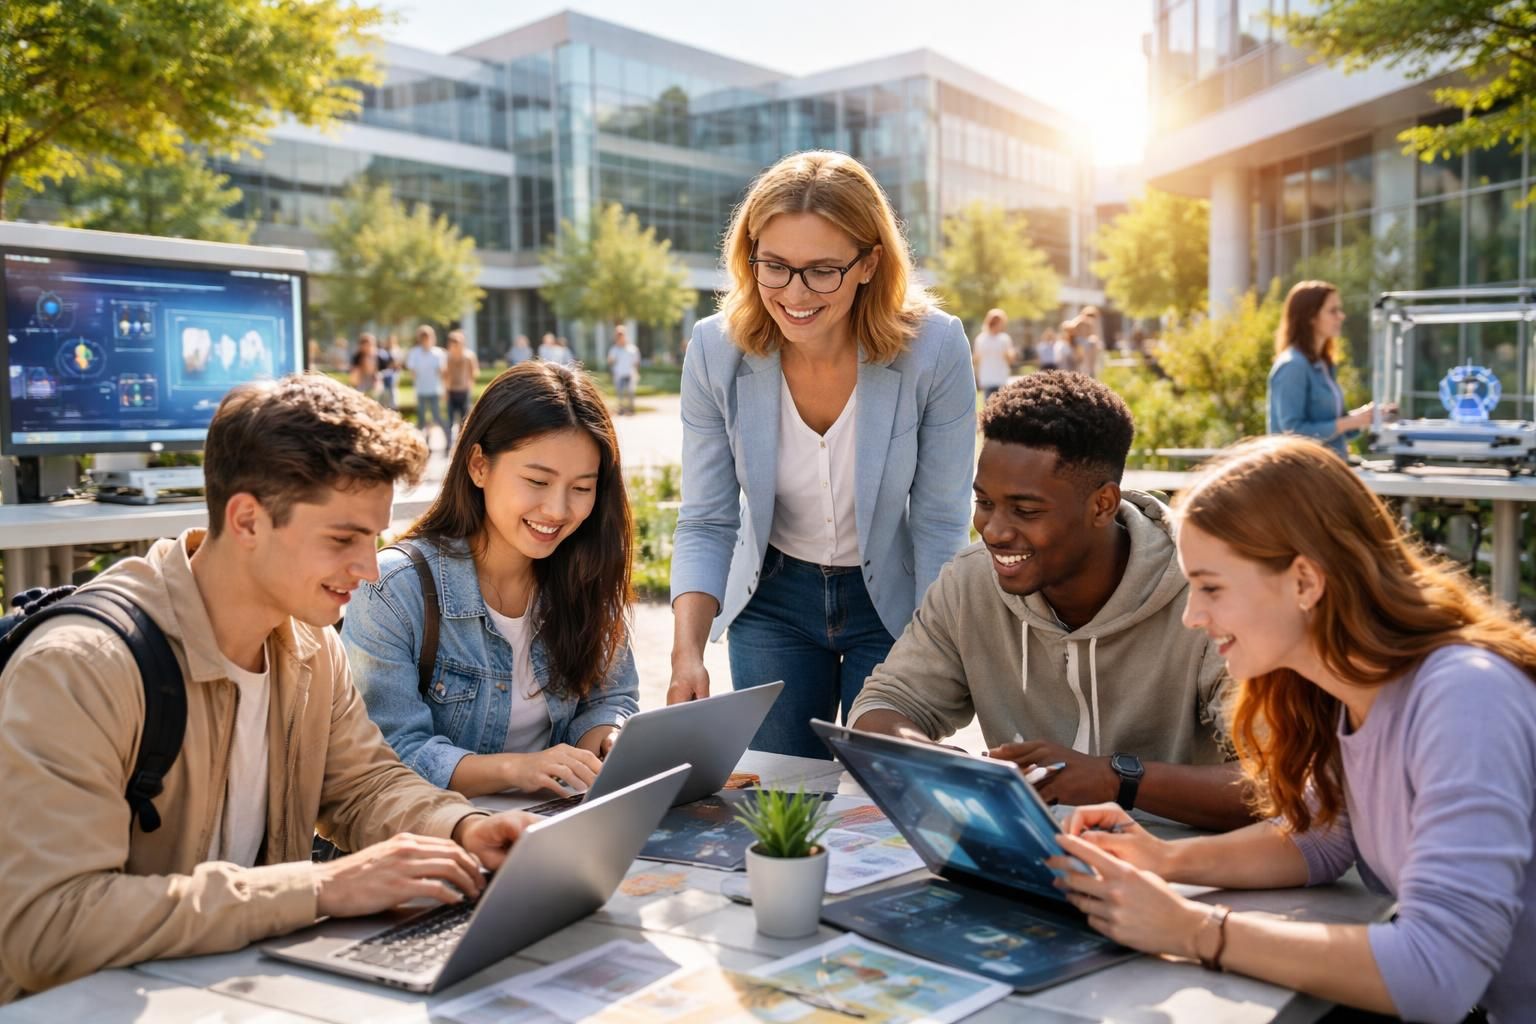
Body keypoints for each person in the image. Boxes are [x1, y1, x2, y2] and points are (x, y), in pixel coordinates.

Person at [0, 374, 539, 1004]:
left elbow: (365, 785)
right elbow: (45, 925)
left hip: (230, 992)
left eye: (374, 538)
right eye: (343, 539)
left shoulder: (310, 646)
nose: (368, 571)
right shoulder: (79, 669)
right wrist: (318, 889)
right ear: (248, 519)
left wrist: (462, 827)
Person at [1049, 435, 1536, 1022]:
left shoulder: (1464, 696)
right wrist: (1162, 861)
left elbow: (1438, 973)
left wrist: (1195, 930)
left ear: (1304, 582)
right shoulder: (1342, 692)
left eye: (1211, 587)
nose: (1192, 616)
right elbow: (1322, 836)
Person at [667, 150, 978, 759]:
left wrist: (936, 648)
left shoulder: (935, 349)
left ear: (868, 264)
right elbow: (707, 518)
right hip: (773, 600)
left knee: (882, 796)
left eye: (822, 271)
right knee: (782, 801)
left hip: (891, 602)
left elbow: (942, 521)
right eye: (775, 266)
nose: (794, 293)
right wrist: (686, 654)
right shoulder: (714, 351)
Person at [849, 372, 1247, 831]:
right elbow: (882, 706)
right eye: (984, 502)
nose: (994, 530)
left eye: (1026, 511)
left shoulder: (1204, 595)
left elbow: (1274, 784)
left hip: (1181, 871)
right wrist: (943, 764)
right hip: (1026, 863)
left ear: (1102, 505)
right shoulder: (970, 582)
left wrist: (1115, 780)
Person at [344, 362, 639, 798]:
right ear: (479, 466)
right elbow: (390, 754)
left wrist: (609, 739)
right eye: (537, 481)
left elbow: (610, 700)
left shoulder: (586, 572)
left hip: (554, 824)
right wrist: (518, 770)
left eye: (581, 488)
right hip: (438, 840)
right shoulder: (394, 589)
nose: (557, 511)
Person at [1268, 280, 1380, 459]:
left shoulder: (1324, 365)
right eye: (1332, 311)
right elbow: (1292, 434)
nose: (1341, 316)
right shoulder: (1292, 366)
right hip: (1303, 476)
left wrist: (1365, 417)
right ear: (1311, 317)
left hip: (1327, 473)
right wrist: (1347, 423)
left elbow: (1335, 426)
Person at [405, 324, 449, 451]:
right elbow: (412, 372)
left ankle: (448, 441)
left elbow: (443, 373)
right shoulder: (415, 353)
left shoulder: (438, 353)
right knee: (422, 420)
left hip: (435, 390)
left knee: (437, 417)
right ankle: (422, 444)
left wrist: (444, 389)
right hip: (421, 391)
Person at [444, 329, 479, 451]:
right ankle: (448, 444)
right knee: (449, 421)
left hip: (464, 392)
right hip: (451, 391)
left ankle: (462, 444)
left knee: (464, 421)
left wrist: (469, 387)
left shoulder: (469, 356)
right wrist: (446, 392)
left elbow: (474, 373)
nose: (454, 346)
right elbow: (445, 375)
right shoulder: (447, 357)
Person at [972, 308, 1016, 403]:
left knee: (1003, 406)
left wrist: (1008, 354)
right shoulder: (981, 339)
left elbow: (1011, 359)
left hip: (1001, 378)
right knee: (989, 406)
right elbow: (976, 360)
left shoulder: (1004, 339)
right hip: (987, 379)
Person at [607, 324, 640, 416]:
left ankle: (631, 410)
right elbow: (610, 361)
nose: (620, 336)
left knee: (630, 392)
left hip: (630, 374)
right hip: (619, 374)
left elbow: (636, 362)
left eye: (621, 334)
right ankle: (621, 410)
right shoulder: (614, 349)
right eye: (618, 334)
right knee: (620, 393)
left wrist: (636, 373)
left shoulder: (632, 349)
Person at [349, 332, 382, 399]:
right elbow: (353, 377)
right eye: (368, 345)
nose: (370, 347)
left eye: (372, 345)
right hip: (360, 383)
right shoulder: (357, 357)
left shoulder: (377, 356)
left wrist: (377, 380)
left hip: (372, 383)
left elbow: (377, 372)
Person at [1073, 306, 1104, 378]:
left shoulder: (1090, 323)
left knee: (1095, 344)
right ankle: (1090, 370)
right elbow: (1073, 330)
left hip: (1085, 343)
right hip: (1079, 342)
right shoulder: (1080, 320)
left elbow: (1091, 334)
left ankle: (1092, 369)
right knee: (1092, 344)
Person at [379, 334, 403, 410]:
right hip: (386, 373)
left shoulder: (397, 350)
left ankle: (393, 406)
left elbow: (399, 363)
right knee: (385, 391)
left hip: (393, 374)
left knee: (393, 391)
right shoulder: (384, 351)